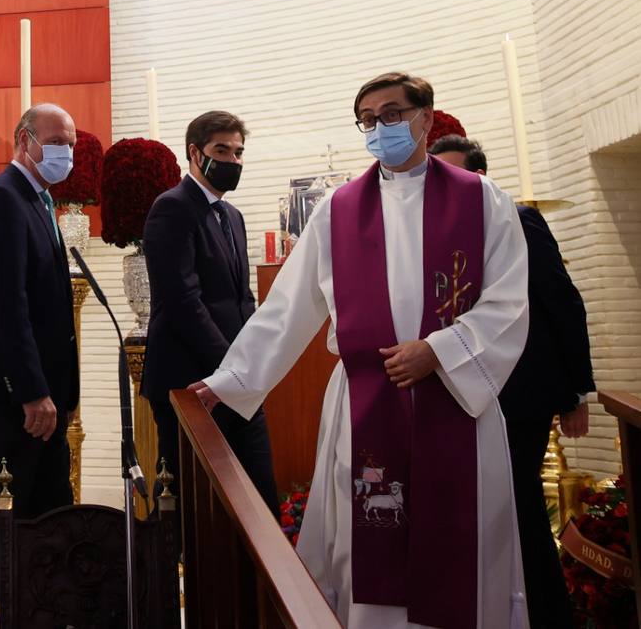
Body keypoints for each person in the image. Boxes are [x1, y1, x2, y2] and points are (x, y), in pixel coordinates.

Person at [191, 72, 530, 627]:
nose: (379, 128)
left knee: (461, 550)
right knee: (366, 549)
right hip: (364, 407)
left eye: (392, 114)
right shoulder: (338, 209)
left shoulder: (482, 200)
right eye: (368, 120)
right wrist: (231, 380)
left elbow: (510, 301)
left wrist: (439, 350)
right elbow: (287, 308)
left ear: (426, 118)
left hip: (456, 401)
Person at [431, 133, 594, 628]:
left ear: (478, 176)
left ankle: (546, 616)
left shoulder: (519, 219)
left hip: (522, 391)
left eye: (452, 175)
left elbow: (561, 299)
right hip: (472, 392)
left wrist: (576, 392)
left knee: (521, 508)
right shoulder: (444, 231)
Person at [0, 104, 80, 629]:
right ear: (23, 140)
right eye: (57, 141)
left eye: (71, 143)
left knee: (47, 522)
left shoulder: (39, 200)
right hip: (15, 402)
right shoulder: (2, 200)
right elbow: (5, 307)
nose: (66, 153)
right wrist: (32, 390)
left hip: (43, 397)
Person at [142, 110, 277, 518]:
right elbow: (184, 300)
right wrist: (230, 365)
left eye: (238, 152)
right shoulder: (171, 208)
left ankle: (251, 583)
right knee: (195, 503)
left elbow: (241, 299)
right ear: (194, 153)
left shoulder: (232, 216)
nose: (233, 161)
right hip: (191, 379)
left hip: (234, 379)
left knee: (257, 496)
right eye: (222, 150)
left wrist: (252, 359)